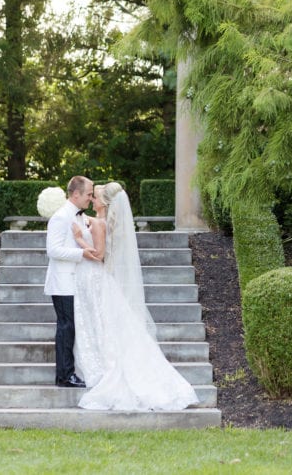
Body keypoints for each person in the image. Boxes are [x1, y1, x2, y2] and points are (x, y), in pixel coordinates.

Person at [69, 181, 199, 411]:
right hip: (104, 281)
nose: (92, 200)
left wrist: (80, 239)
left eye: (96, 197)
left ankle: (104, 367)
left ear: (105, 204)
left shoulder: (99, 223)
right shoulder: (103, 223)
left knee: (106, 326)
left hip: (99, 279)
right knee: (112, 327)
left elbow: (99, 255)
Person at [44, 175, 98, 389]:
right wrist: (81, 253)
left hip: (75, 282)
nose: (90, 198)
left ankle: (68, 373)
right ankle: (65, 375)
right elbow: (53, 250)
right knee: (66, 328)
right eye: (88, 194)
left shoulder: (77, 216)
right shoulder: (60, 217)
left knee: (71, 328)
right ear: (76, 194)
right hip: (63, 282)